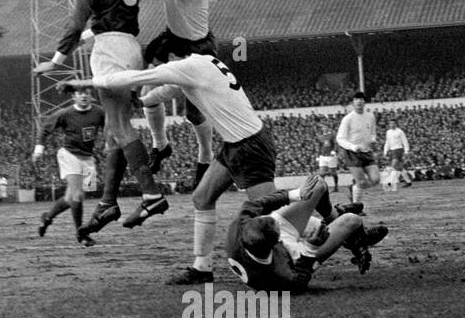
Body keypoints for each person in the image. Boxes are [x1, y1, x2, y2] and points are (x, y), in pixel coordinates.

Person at [61, 51, 375, 284]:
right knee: (202, 198)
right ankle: (201, 268)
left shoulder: (187, 67)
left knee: (274, 217)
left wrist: (86, 82)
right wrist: (153, 119)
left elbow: (136, 80)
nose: (159, 67)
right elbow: (154, 94)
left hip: (250, 146)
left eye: (161, 61)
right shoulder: (200, 64)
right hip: (236, 143)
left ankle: (340, 233)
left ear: (172, 55)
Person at [33, 0, 168, 242]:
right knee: (113, 134)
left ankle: (151, 194)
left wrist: (56, 60)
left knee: (120, 127)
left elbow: (77, 19)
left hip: (110, 51)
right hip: (134, 47)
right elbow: (114, 15)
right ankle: (108, 202)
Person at [107, 0, 216, 186]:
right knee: (149, 97)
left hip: (196, 48)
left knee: (192, 112)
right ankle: (161, 145)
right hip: (174, 39)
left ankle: (206, 156)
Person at [227, 173, 389, 292]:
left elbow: (263, 202)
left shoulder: (240, 224)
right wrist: (311, 247)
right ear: (276, 243)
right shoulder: (276, 275)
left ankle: (340, 222)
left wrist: (297, 194)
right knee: (352, 220)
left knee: (317, 184)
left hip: (273, 243)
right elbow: (299, 281)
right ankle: (353, 233)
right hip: (295, 257)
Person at [33, 88, 105, 245]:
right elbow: (45, 127)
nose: (84, 95)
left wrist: (110, 142)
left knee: (71, 198)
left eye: (86, 92)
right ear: (74, 97)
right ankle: (81, 234)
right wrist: (39, 147)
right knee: (78, 195)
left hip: (88, 158)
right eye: (80, 93)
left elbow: (110, 127)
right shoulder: (65, 113)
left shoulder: (99, 112)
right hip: (69, 155)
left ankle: (48, 217)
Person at [336, 92, 380, 206]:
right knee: (361, 181)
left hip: (366, 151)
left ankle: (354, 187)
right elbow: (340, 138)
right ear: (353, 103)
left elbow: (373, 133)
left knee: (375, 179)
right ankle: (356, 206)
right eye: (356, 99)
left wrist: (372, 140)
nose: (359, 101)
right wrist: (353, 147)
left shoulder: (370, 116)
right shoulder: (348, 119)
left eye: (361, 99)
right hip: (352, 153)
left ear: (365, 102)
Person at [382, 117, 412, 190]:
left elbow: (405, 141)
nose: (392, 125)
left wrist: (406, 151)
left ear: (396, 124)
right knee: (398, 168)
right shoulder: (388, 132)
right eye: (390, 123)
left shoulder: (400, 131)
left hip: (398, 149)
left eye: (393, 123)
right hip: (392, 150)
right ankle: (408, 181)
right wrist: (385, 151)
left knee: (393, 165)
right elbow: (387, 142)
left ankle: (389, 183)